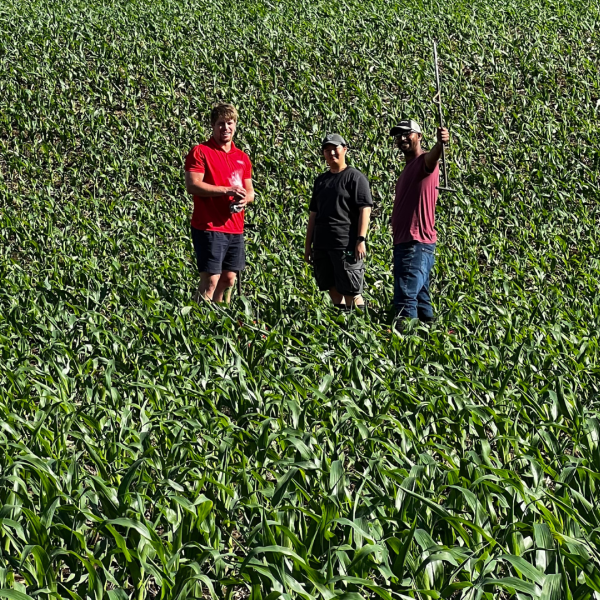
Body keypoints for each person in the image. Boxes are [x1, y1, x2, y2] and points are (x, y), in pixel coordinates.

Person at [184, 103, 254, 303]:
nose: (226, 128)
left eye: (229, 123)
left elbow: (251, 192)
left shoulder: (242, 158)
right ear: (213, 126)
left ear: (235, 126)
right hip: (209, 225)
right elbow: (193, 185)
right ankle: (198, 320)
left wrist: (245, 199)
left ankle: (218, 319)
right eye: (221, 124)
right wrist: (227, 190)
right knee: (211, 279)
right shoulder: (200, 152)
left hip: (235, 227)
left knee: (229, 278)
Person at [390, 119, 449, 326]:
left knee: (405, 299)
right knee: (422, 299)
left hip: (414, 243)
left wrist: (441, 144)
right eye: (399, 135)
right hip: (410, 243)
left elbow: (433, 157)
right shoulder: (407, 170)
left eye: (408, 133)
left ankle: (406, 346)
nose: (403, 138)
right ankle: (432, 337)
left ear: (419, 136)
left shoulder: (424, 162)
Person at [304, 133, 373, 311]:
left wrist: (361, 239)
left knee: (351, 289)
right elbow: (313, 215)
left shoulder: (355, 178)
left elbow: (365, 209)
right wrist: (308, 246)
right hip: (322, 244)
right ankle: (341, 324)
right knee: (331, 287)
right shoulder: (321, 181)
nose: (331, 153)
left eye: (335, 149)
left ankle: (358, 326)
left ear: (345, 149)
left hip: (345, 243)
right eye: (327, 150)